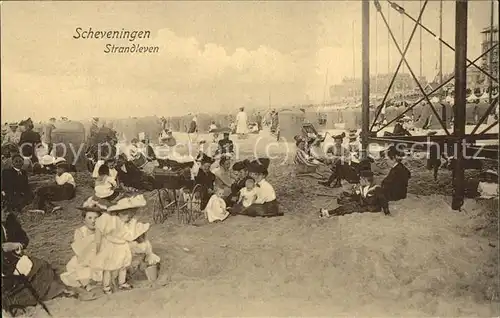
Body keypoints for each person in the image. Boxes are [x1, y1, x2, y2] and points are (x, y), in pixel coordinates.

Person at [1, 208, 77, 315]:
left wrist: (16, 245)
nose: (4, 212)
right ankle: (16, 302)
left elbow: (24, 239)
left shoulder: (10, 221)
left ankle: (56, 291)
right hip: (5, 267)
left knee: (41, 266)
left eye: (4, 208)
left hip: (13, 259)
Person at [92, 195, 150, 295]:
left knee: (123, 265)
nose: (129, 218)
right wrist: (98, 247)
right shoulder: (110, 220)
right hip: (111, 246)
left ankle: (122, 282)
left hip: (122, 246)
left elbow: (129, 235)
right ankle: (106, 286)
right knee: (108, 268)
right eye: (128, 215)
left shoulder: (126, 223)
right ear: (121, 213)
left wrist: (134, 224)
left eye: (131, 216)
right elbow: (100, 230)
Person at [60, 208, 104, 290]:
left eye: (96, 218)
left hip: (99, 256)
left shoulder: (102, 230)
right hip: (84, 257)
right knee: (81, 269)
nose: (93, 221)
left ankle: (100, 281)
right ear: (84, 220)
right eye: (90, 218)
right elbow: (79, 250)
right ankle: (87, 284)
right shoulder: (80, 231)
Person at [320, 170, 390, 217]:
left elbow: (383, 200)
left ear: (365, 180)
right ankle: (329, 212)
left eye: (360, 179)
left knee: (349, 209)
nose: (359, 180)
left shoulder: (376, 188)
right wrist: (348, 196)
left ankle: (328, 213)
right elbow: (357, 196)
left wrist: (386, 212)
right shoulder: (363, 187)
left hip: (371, 207)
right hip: (363, 203)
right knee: (348, 205)